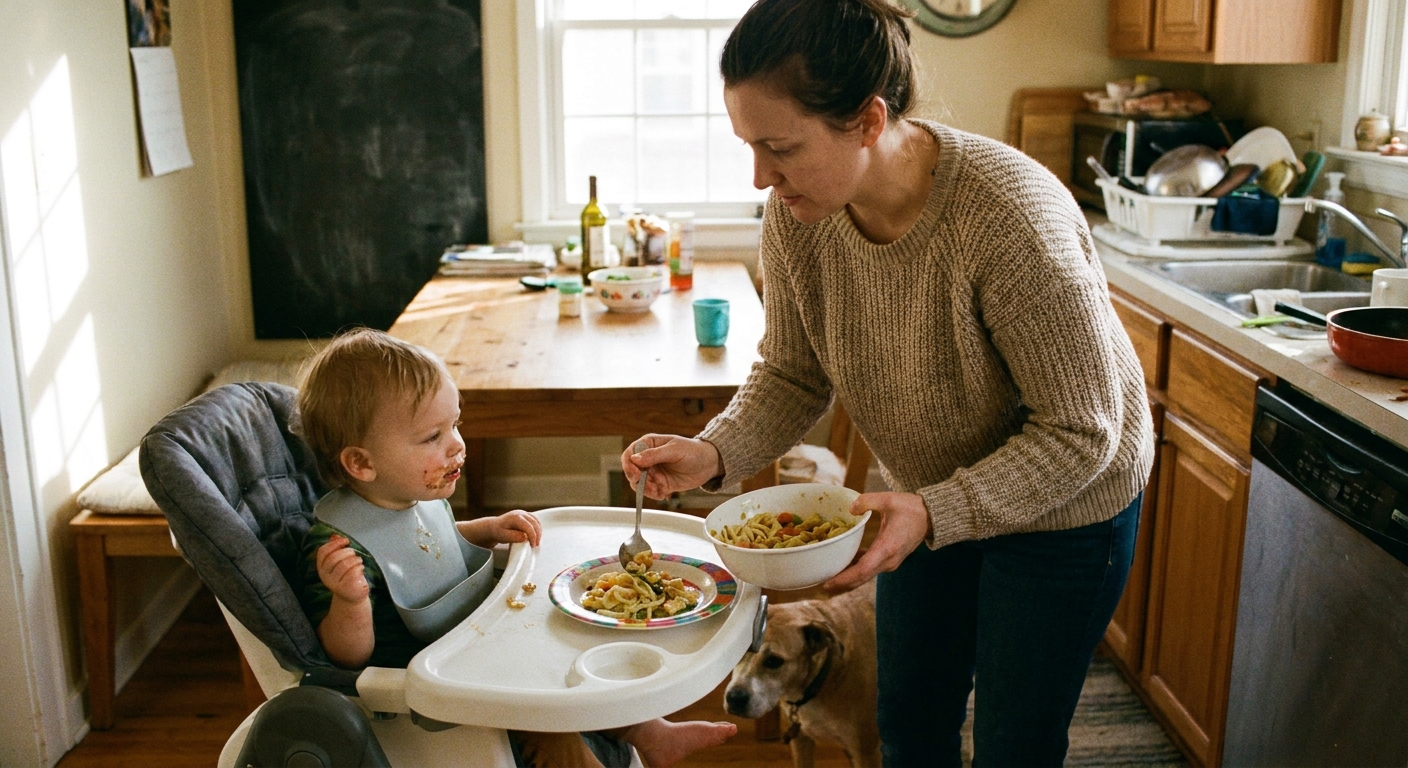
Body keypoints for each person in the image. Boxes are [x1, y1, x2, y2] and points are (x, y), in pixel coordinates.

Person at [622, 1, 1155, 765]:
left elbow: (1084, 435)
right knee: (908, 721)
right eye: (748, 146)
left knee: (1015, 742)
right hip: (926, 495)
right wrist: (713, 454)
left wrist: (936, 508)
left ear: (868, 121)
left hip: (1066, 511)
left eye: (780, 148)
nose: (761, 176)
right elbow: (793, 371)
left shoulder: (1009, 219)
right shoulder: (798, 214)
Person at [296, 329, 734, 768]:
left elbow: (432, 547)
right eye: (432, 437)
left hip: (474, 646)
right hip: (434, 684)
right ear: (362, 463)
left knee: (564, 656)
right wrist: (349, 600)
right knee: (544, 713)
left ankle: (651, 733)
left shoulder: (408, 498)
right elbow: (344, 656)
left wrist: (486, 529)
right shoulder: (338, 546)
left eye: (455, 425)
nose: (456, 445)